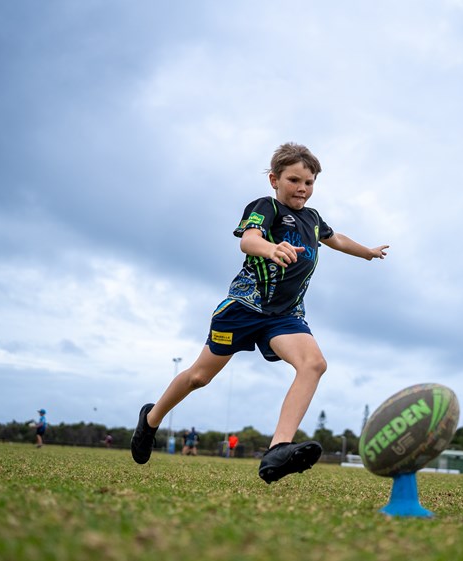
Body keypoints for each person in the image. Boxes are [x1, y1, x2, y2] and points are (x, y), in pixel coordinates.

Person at [131, 142, 389, 483]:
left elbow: (335, 238)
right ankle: (151, 420)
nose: (302, 188)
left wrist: (367, 252)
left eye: (309, 182)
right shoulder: (266, 207)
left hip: (285, 316)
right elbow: (248, 240)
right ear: (274, 180)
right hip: (244, 307)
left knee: (313, 364)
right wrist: (270, 248)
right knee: (199, 377)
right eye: (294, 180)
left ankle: (278, 449)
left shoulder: (312, 218)